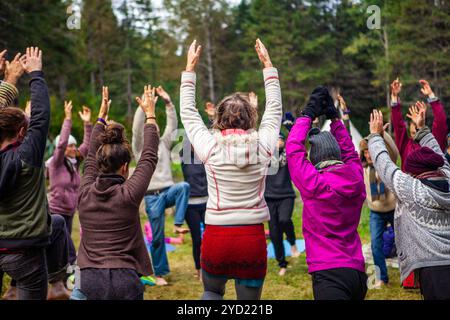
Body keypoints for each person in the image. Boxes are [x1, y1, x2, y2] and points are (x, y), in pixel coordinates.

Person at [180, 38, 282, 300]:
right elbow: (275, 111)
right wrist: (268, 67)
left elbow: (189, 114)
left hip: (217, 236)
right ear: (251, 118)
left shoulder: (210, 146)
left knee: (211, 295)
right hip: (251, 238)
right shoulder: (263, 145)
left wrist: (190, 69)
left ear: (218, 120)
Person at [75, 85, 159, 300]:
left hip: (88, 279)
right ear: (124, 167)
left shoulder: (84, 193)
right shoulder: (128, 194)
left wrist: (101, 118)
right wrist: (150, 115)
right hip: (125, 279)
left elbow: (91, 157)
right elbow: (149, 156)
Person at [0, 47, 70, 300]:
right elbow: (41, 118)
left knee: (59, 223)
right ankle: (58, 281)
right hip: (25, 252)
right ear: (21, 133)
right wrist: (36, 76)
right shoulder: (26, 156)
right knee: (58, 223)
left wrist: (8, 81)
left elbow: (36, 119)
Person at [286, 87, 367, 300]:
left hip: (328, 271)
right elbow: (350, 152)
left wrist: (306, 115)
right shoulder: (356, 179)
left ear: (315, 159)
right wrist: (335, 118)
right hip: (356, 271)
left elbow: (293, 149)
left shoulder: (314, 184)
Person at [368, 106, 450, 300]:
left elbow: (384, 165)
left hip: (432, 269)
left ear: (413, 173)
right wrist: (422, 131)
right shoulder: (447, 176)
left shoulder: (412, 189)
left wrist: (374, 137)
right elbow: (440, 157)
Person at [132, 85, 189, 286]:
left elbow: (172, 126)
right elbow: (137, 129)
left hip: (168, 191)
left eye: (155, 126)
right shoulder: (140, 149)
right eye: (151, 127)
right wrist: (145, 108)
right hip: (151, 197)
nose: (154, 129)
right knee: (156, 238)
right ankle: (159, 273)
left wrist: (168, 103)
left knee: (183, 187)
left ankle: (178, 224)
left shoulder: (163, 144)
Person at [46, 101, 92, 266]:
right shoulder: (55, 163)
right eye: (70, 146)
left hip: (70, 211)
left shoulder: (74, 163)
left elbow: (86, 146)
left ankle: (62, 276)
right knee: (68, 248)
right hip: (56, 211)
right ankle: (71, 273)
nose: (73, 148)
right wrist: (68, 119)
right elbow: (61, 144)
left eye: (74, 145)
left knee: (63, 246)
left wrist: (87, 123)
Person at [360, 128, 399, 287]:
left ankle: (409, 274)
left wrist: (383, 135)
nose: (368, 155)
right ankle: (381, 278)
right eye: (365, 152)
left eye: (370, 151)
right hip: (376, 212)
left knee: (404, 242)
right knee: (376, 245)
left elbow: (394, 151)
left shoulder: (385, 164)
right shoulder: (361, 168)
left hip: (393, 210)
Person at [390, 78, 448, 170]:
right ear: (409, 132)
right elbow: (398, 126)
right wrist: (394, 98)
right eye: (413, 133)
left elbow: (441, 122)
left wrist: (431, 96)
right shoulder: (405, 146)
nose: (417, 135)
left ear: (424, 128)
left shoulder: (433, 143)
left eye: (418, 131)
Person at [265, 132, 300, 277]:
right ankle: (282, 264)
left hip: (286, 195)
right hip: (269, 198)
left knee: (284, 220)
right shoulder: (266, 157)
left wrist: (292, 130)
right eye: (276, 139)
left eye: (281, 139)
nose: (278, 142)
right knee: (274, 234)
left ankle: (292, 243)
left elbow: (297, 148)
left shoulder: (288, 156)